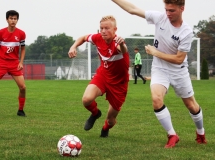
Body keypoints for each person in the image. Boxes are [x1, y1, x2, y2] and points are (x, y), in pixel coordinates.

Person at [112, 0, 207, 148]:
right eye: (166, 10)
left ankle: (200, 133)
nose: (168, 13)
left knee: (191, 105)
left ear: (182, 8)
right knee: (156, 99)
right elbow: (132, 9)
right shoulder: (160, 17)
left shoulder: (186, 32)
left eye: (172, 11)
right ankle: (172, 135)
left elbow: (179, 59)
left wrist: (156, 52)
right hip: (159, 69)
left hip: (179, 71)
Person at [68, 15, 129, 137]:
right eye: (101, 28)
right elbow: (83, 37)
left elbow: (123, 50)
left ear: (115, 29)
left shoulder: (117, 43)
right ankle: (95, 113)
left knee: (111, 120)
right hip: (103, 75)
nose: (103, 31)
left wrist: (122, 43)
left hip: (119, 83)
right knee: (86, 99)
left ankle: (106, 127)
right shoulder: (97, 38)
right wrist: (73, 47)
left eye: (107, 28)